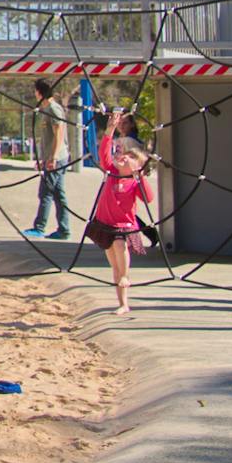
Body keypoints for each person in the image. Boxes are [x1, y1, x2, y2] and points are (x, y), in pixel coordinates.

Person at [88, 111, 157, 315]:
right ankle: (123, 302)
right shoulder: (111, 172)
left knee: (120, 246)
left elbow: (148, 198)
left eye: (130, 158)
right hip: (105, 224)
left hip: (123, 227)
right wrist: (110, 129)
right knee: (114, 265)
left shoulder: (134, 182)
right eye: (123, 155)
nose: (124, 157)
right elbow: (104, 152)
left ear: (138, 167)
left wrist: (139, 177)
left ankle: (126, 276)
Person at [24, 78, 71, 240]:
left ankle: (39, 227)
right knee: (58, 194)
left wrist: (53, 157)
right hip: (51, 158)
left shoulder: (54, 109)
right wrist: (43, 158)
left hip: (57, 158)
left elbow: (59, 134)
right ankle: (64, 230)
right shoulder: (46, 109)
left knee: (46, 193)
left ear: (39, 92)